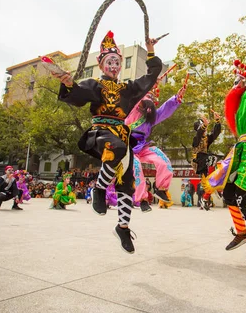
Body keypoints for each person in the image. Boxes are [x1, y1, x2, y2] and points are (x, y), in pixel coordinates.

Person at [53, 31, 163, 254]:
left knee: (128, 183)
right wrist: (67, 83)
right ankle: (100, 188)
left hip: (121, 133)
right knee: (118, 149)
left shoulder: (127, 89)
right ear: (101, 65)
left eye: (117, 62)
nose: (113, 65)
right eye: (109, 61)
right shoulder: (95, 85)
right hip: (101, 132)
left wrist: (150, 51)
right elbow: (77, 94)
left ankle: (123, 227)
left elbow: (151, 76)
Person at [203, 37, 246, 267]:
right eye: (235, 80)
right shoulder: (243, 106)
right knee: (229, 193)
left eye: (240, 79)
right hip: (243, 149)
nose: (236, 83)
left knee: (243, 196)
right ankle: (242, 231)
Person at [125, 79, 186, 212]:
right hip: (126, 147)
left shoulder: (150, 117)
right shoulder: (130, 110)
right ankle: (142, 200)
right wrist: (149, 82)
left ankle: (161, 188)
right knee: (136, 167)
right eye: (147, 97)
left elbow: (164, 110)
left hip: (142, 146)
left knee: (164, 161)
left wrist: (176, 98)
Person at [191, 111, 222, 211]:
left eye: (205, 126)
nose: (205, 129)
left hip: (205, 161)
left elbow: (215, 134)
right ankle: (214, 186)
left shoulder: (206, 138)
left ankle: (204, 200)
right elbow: (198, 135)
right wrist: (203, 126)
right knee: (212, 158)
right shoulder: (196, 138)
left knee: (207, 185)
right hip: (198, 161)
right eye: (202, 126)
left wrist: (217, 121)